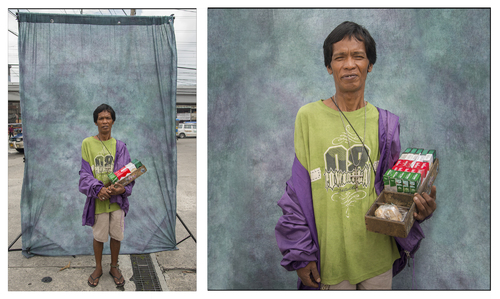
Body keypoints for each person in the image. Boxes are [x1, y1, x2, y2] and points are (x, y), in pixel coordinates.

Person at [275, 21, 437, 290]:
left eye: (358, 56)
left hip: (377, 260)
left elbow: (396, 193)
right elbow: (297, 193)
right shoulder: (308, 117)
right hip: (331, 262)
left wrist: (419, 208)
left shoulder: (386, 123)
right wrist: (300, 253)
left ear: (369, 64)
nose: (349, 64)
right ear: (330, 67)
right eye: (340, 57)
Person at [79, 104, 135, 287]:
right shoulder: (87, 143)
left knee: (116, 235)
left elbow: (128, 175)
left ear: (113, 121)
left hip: (117, 201)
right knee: (99, 236)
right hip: (99, 200)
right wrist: (98, 189)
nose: (105, 121)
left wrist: (122, 189)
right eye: (101, 118)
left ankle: (113, 266)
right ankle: (98, 267)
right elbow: (85, 174)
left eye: (108, 118)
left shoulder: (120, 146)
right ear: (96, 121)